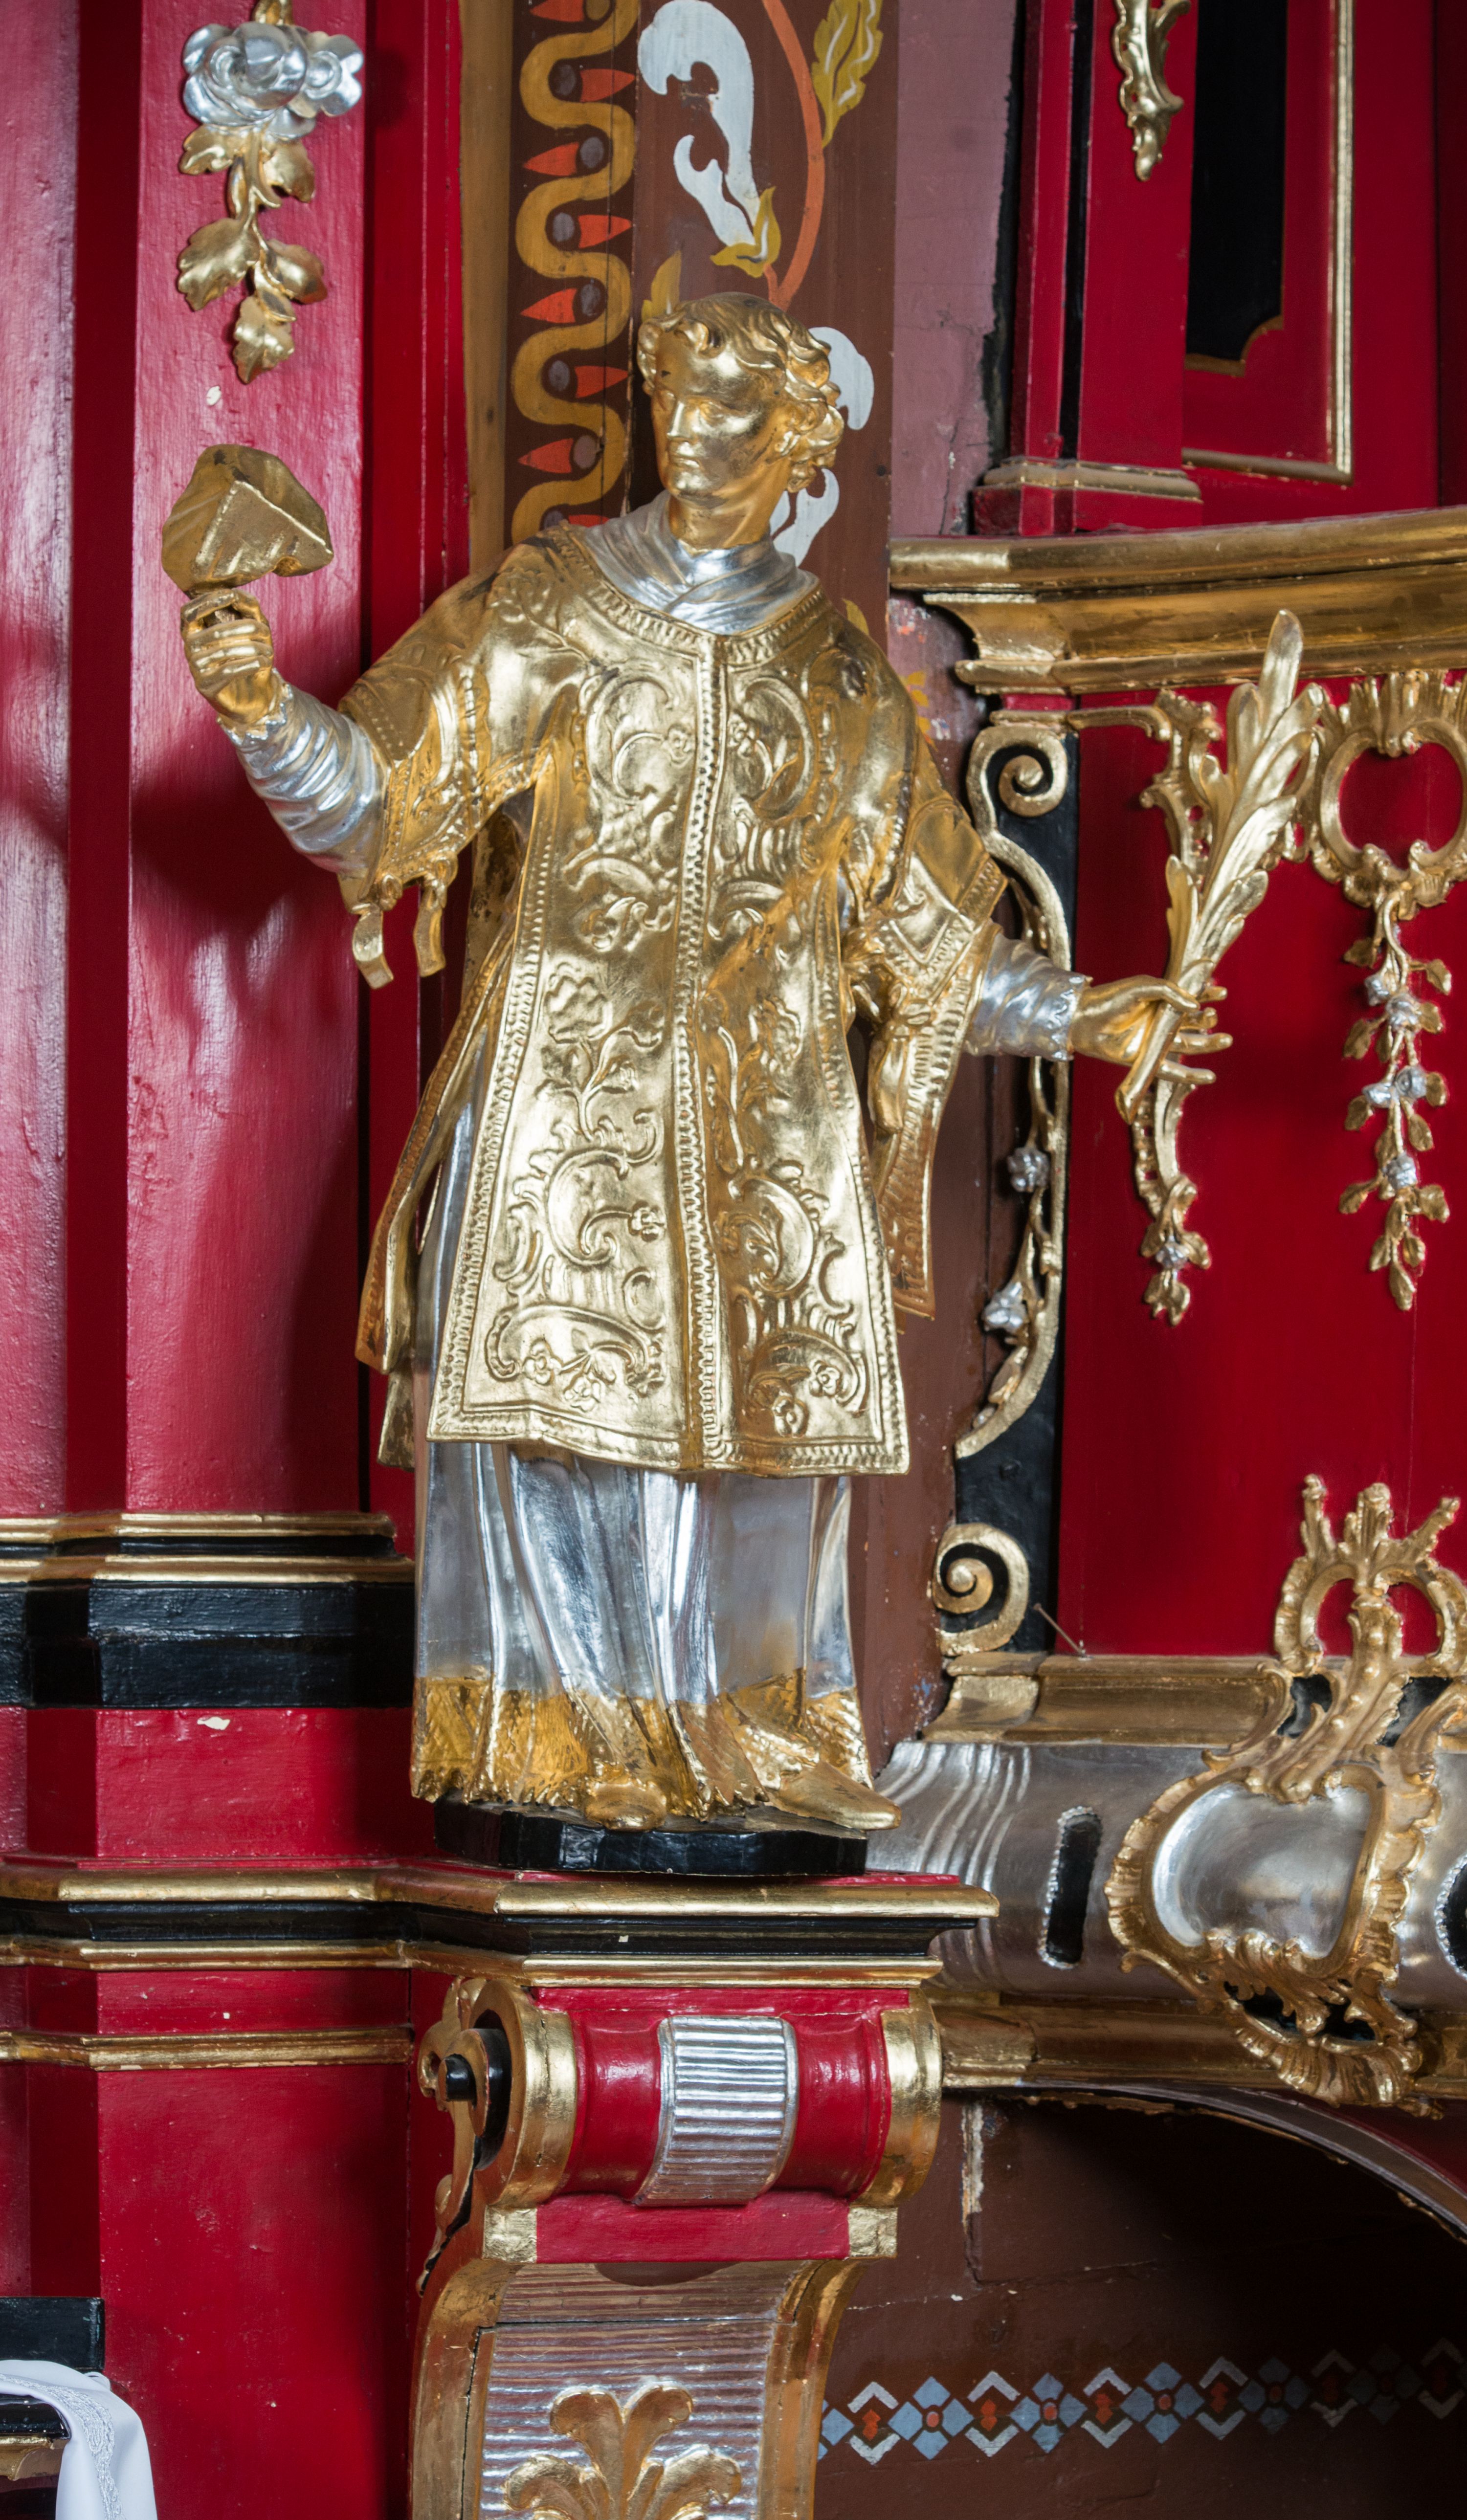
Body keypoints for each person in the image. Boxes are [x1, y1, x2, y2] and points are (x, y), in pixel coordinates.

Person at [178, 292, 1207, 1839]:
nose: (701, 438)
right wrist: (263, 710)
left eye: (737, 413)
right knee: (560, 1431)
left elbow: (925, 940)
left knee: (759, 1451)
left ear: (795, 442)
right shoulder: (548, 607)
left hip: (763, 1136)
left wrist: (1081, 1014)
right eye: (683, 404)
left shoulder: (838, 673)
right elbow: (381, 801)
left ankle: (745, 1743)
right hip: (555, 1111)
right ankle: (558, 1750)